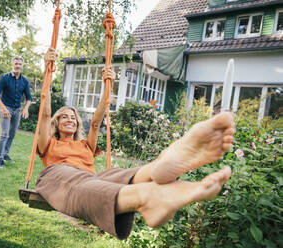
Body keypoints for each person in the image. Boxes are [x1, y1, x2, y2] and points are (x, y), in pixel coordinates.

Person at [35, 48, 235, 239]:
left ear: (77, 124)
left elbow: (96, 122)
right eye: (64, 118)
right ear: (56, 123)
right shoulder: (49, 144)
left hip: (91, 179)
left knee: (111, 176)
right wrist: (48, 71)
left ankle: (155, 169)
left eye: (73, 118)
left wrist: (109, 86)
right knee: (79, 184)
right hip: (57, 176)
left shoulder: (85, 145)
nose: (70, 120)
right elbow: (44, 114)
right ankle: (145, 196)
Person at [0, 56, 32, 168]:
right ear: (12, 64)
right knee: (4, 134)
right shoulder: (4, 78)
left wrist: (26, 108)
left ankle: (5, 154)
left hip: (17, 110)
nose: (18, 65)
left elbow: (29, 98)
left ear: (22, 66)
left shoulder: (24, 81)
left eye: (20, 64)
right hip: (6, 108)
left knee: (12, 134)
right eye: (16, 63)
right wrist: (3, 109)